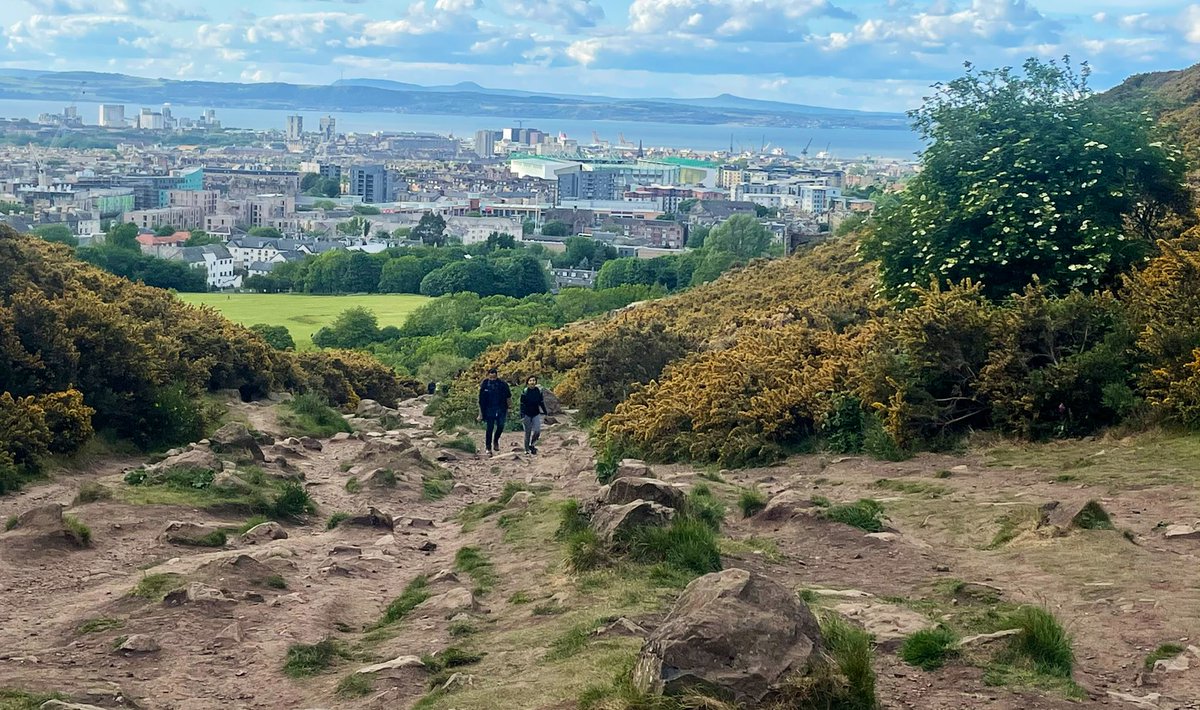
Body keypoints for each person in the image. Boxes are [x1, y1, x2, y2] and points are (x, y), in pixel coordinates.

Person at [477, 367, 511, 456]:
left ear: (497, 376)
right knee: (490, 428)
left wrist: (509, 407)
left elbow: (508, 396)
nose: (492, 379)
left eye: (494, 377)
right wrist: (480, 414)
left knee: (501, 426)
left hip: (501, 408)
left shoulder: (503, 384)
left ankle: (496, 440)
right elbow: (480, 400)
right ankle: (488, 448)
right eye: (491, 377)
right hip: (489, 409)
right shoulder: (485, 384)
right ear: (488, 376)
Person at [519, 375, 548, 455]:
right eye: (530, 380)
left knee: (537, 431)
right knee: (527, 432)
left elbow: (541, 402)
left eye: (534, 380)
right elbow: (522, 404)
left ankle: (532, 444)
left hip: (536, 413)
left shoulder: (538, 391)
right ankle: (526, 449)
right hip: (526, 414)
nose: (532, 382)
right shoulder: (525, 392)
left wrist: (545, 412)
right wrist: (522, 416)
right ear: (528, 382)